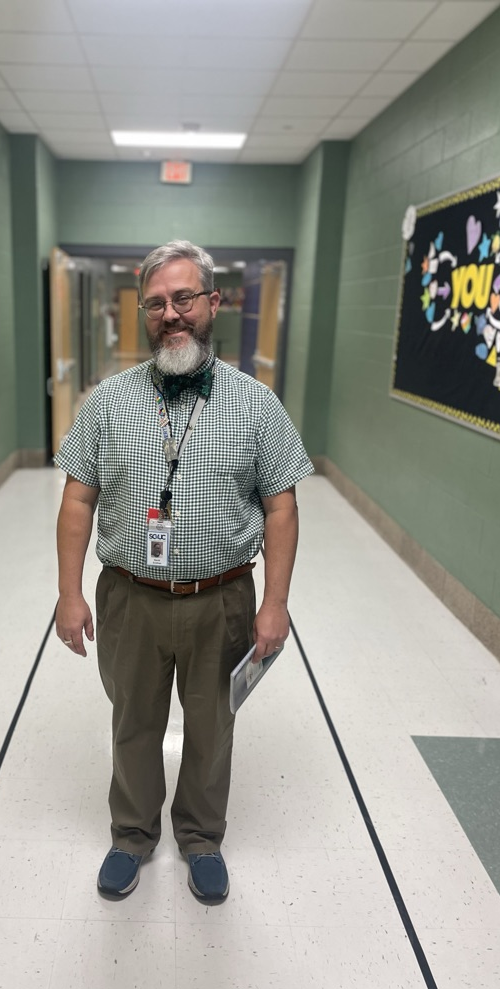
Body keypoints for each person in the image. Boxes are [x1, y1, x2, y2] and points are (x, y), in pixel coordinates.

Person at [54, 240, 313, 904]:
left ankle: (200, 837)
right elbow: (77, 498)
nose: (172, 314)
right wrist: (68, 593)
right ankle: (132, 835)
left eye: (184, 299)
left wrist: (275, 603)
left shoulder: (257, 406)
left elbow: (281, 509)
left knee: (212, 725)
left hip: (221, 600)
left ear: (213, 303)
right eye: (157, 303)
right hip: (129, 600)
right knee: (133, 721)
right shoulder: (107, 403)